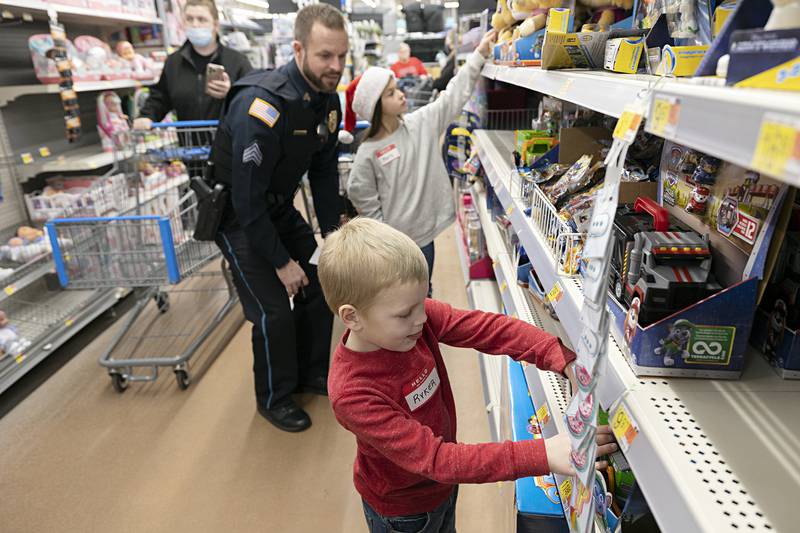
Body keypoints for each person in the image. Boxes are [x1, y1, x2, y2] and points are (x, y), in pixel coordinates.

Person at [318, 218, 618, 533]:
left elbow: (488, 330)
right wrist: (543, 454)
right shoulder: (353, 394)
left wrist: (559, 357)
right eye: (406, 313)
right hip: (404, 511)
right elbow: (437, 459)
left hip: (442, 486)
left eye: (422, 302)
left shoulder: (409, 320)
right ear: (352, 317)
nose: (422, 318)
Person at [207, 4, 348, 433]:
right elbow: (247, 199)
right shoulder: (262, 104)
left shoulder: (326, 100)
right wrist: (281, 262)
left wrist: (335, 238)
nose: (336, 66)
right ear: (298, 49)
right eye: (326, 56)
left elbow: (324, 174)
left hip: (277, 207)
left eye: (343, 56)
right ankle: (274, 397)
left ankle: (310, 374)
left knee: (321, 281)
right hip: (236, 215)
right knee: (274, 312)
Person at [346, 30, 496, 292]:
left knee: (422, 292)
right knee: (400, 297)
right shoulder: (368, 153)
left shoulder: (419, 124)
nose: (401, 95)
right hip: (395, 247)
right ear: (376, 107)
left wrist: (479, 54)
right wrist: (385, 241)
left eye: (398, 89)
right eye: (391, 93)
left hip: (425, 238)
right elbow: (360, 195)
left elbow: (453, 96)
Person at [133, 0, 252, 129]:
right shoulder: (173, 62)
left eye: (202, 19)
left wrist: (231, 93)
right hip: (189, 145)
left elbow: (254, 100)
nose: (195, 24)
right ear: (183, 23)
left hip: (229, 144)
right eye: (189, 19)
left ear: (215, 25)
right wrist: (146, 116)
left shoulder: (237, 61)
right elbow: (161, 97)